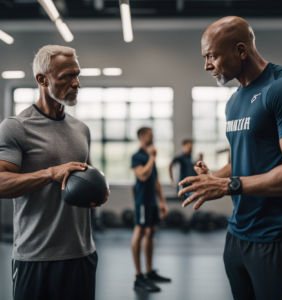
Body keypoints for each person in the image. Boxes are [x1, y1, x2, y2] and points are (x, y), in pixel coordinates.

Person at [178, 16, 282, 300]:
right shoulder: (234, 101)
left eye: (212, 56)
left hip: (277, 239)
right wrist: (213, 179)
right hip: (237, 237)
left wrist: (228, 186)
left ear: (241, 51)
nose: (207, 65)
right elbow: (238, 165)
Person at [0, 45, 109, 300]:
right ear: (42, 79)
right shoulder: (17, 127)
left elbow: (85, 172)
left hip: (82, 253)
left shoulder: (81, 129)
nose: (77, 83)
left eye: (77, 75)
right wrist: (50, 173)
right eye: (67, 77)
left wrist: (99, 188)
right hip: (36, 257)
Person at [131, 127, 171, 292]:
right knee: (140, 232)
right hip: (141, 202)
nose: (152, 138)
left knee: (151, 233)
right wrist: (153, 157)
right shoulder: (137, 156)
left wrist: (162, 201)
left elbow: (155, 181)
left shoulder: (149, 157)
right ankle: (139, 277)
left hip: (152, 202)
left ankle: (148, 272)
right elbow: (142, 175)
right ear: (141, 137)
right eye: (150, 135)